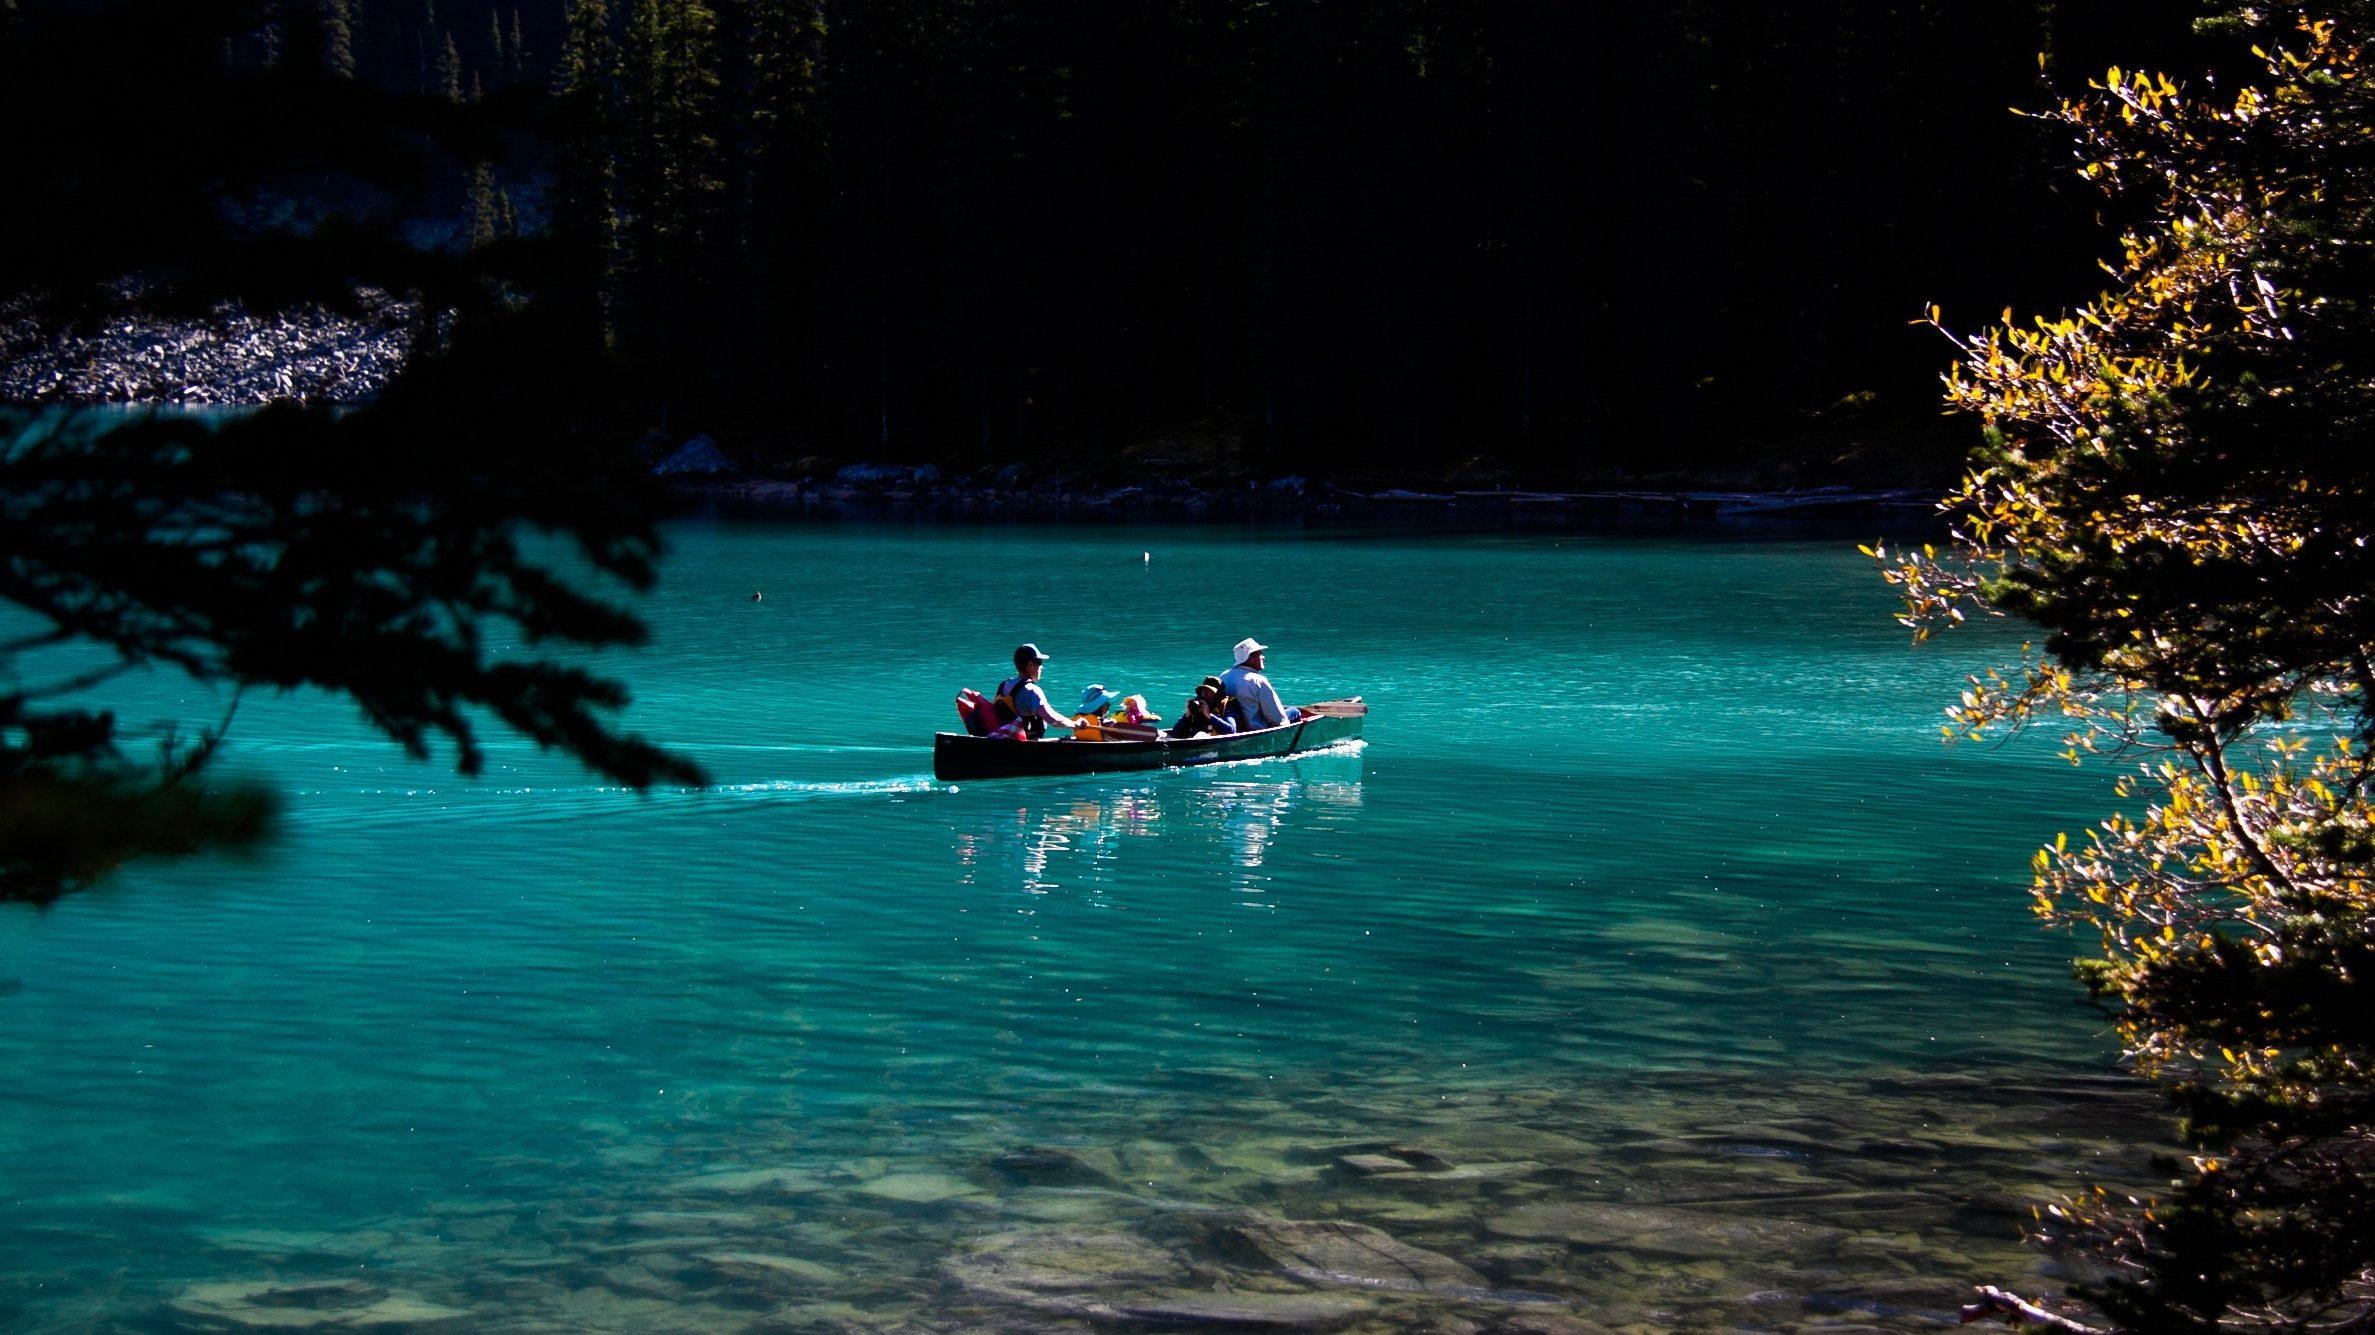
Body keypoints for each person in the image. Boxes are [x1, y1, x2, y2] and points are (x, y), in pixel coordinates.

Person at [993, 644, 1079, 739]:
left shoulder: (1003, 685)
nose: (1042, 667)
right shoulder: (1032, 690)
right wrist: (1075, 724)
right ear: (1030, 665)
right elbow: (1053, 719)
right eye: (1039, 662)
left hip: (1000, 738)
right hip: (1024, 743)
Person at [1219, 637, 1301, 730]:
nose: (1263, 657)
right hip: (1256, 729)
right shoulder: (1258, 681)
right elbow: (1277, 719)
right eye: (1260, 654)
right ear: (1250, 658)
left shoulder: (1223, 676)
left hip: (1235, 727)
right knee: (1295, 711)